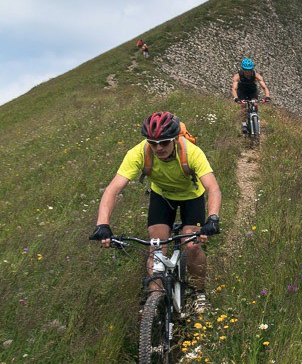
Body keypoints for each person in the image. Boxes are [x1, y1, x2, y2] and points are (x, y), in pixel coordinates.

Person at [91, 111, 222, 315]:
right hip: (162, 197)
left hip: (191, 197)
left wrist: (212, 218)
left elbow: (213, 188)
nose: (158, 148)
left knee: (191, 245)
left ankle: (199, 294)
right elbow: (113, 189)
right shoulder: (139, 153)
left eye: (164, 142)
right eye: (153, 143)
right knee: (157, 245)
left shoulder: (192, 152)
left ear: (175, 139)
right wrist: (102, 224)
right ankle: (155, 300)